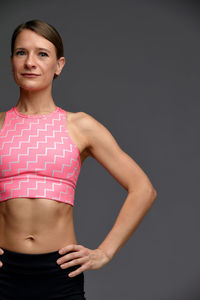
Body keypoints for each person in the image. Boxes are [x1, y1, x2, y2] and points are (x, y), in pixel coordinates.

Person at [0, 19, 157, 300]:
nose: (30, 62)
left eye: (42, 54)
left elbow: (143, 189)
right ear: (11, 60)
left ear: (59, 65)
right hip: (3, 274)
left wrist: (104, 252)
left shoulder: (80, 126)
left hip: (60, 274)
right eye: (21, 52)